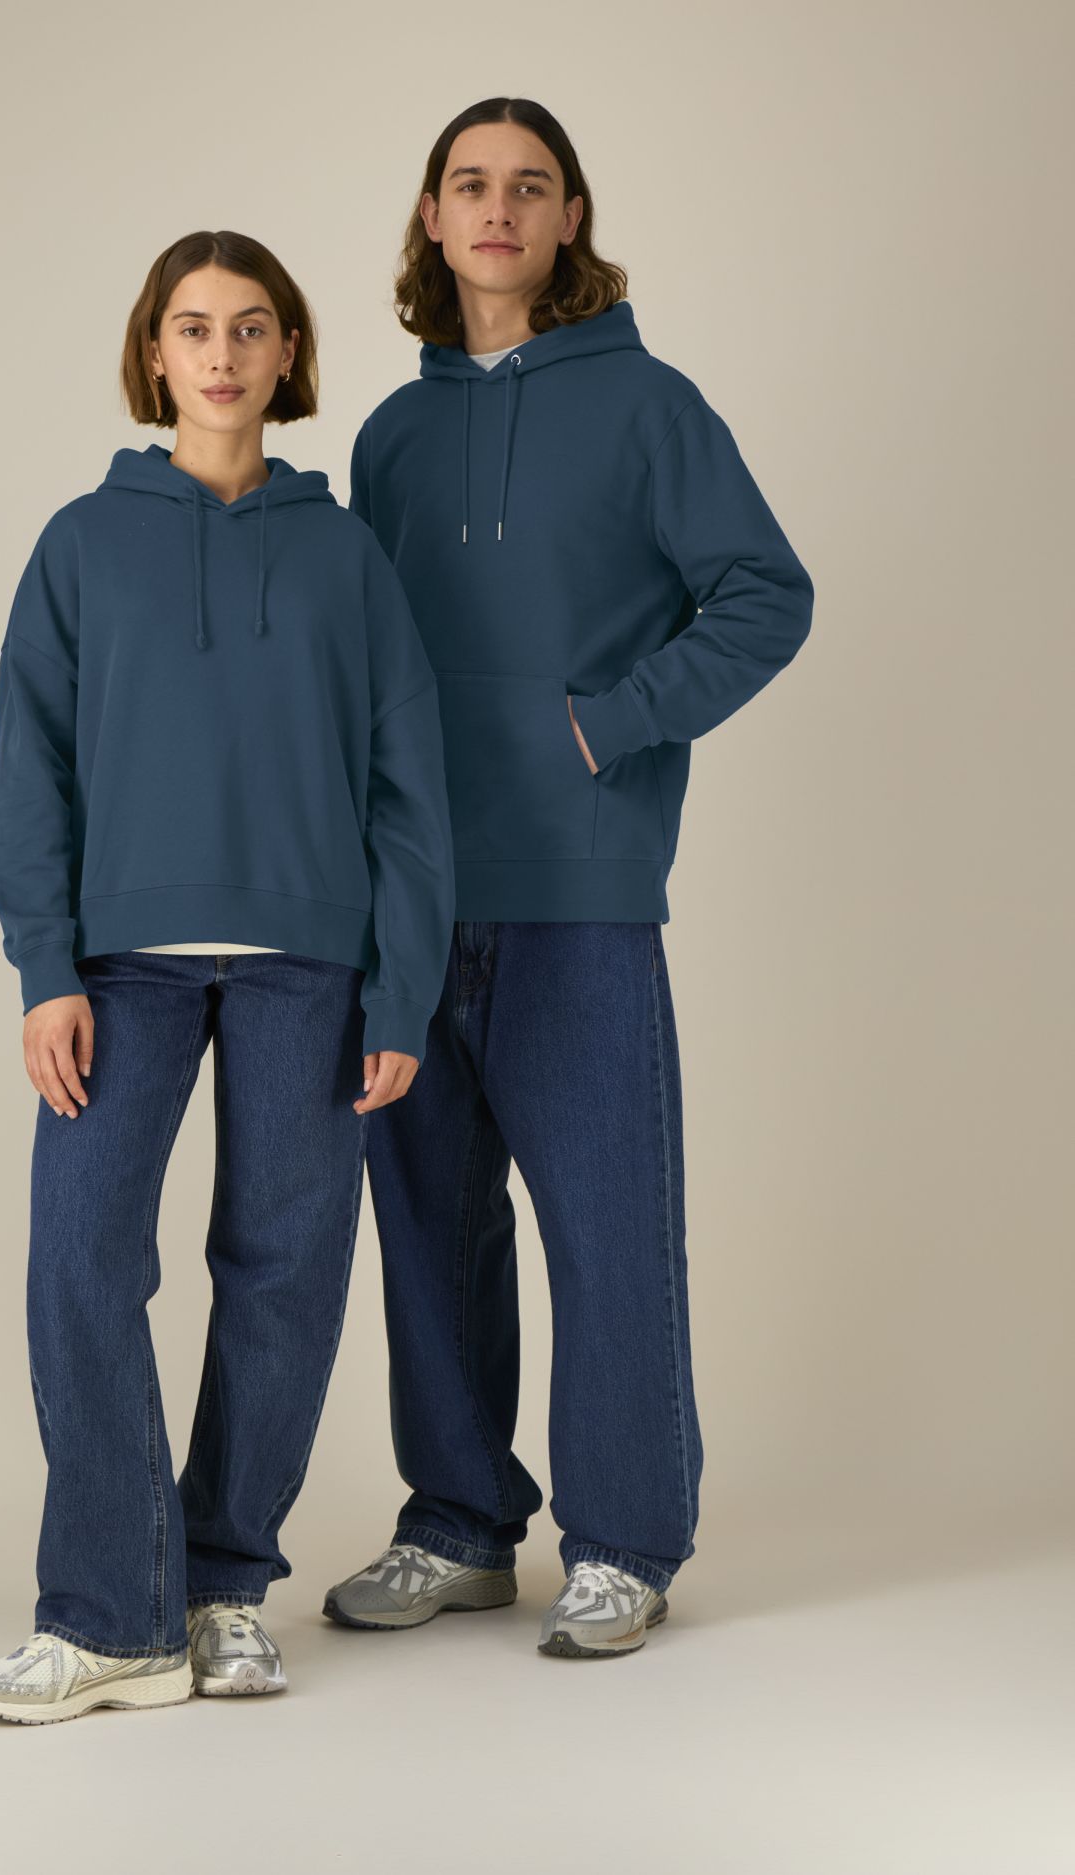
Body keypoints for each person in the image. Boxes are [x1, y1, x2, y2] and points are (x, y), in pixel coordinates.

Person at [323, 97, 814, 1658]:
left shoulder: (652, 407)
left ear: (570, 217)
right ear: (430, 214)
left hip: (584, 890)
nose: (499, 209)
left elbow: (766, 595)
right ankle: (460, 1524)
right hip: (411, 899)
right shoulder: (390, 438)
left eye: (530, 186)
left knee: (608, 1229)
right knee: (431, 1232)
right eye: (471, 184)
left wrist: (611, 722)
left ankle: (624, 1540)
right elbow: (367, 665)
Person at [0, 231, 455, 1722]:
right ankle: (112, 1613)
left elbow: (407, 790)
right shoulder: (80, 544)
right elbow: (30, 773)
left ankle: (226, 1586)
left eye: (251, 327)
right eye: (194, 327)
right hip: (123, 969)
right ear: (155, 353)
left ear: (288, 353)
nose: (223, 355)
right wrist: (44, 967)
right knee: (81, 1262)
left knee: (285, 1274)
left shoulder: (345, 556)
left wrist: (401, 989)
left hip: (312, 965)